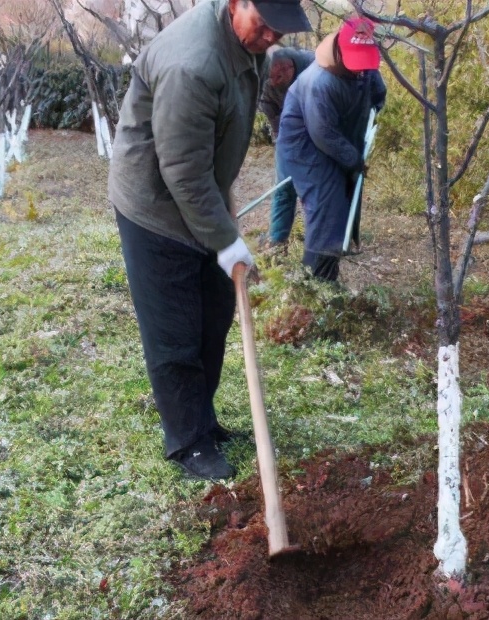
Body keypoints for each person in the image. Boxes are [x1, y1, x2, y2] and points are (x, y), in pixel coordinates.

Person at [108, 0, 311, 480]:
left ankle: (204, 421)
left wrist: (221, 230)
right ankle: (189, 443)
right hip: (155, 204)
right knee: (175, 329)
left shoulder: (245, 44)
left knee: (215, 311)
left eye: (279, 31)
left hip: (201, 197)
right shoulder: (192, 64)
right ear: (237, 3)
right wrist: (225, 240)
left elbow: (208, 156)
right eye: (264, 26)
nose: (271, 40)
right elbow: (181, 170)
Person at [276, 17, 386, 281]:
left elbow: (377, 94)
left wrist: (374, 108)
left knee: (346, 194)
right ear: (339, 50)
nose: (361, 69)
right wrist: (353, 159)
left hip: (340, 137)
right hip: (306, 144)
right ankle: (318, 282)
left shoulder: (365, 70)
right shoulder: (320, 82)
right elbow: (322, 133)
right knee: (328, 204)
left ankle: (330, 264)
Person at [258, 47, 315, 248]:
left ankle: (320, 244)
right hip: (286, 132)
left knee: (315, 190)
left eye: (279, 76)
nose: (273, 81)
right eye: (270, 77)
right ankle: (276, 241)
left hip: (317, 134)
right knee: (283, 188)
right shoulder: (265, 77)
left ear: (288, 67)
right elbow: (270, 111)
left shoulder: (313, 69)